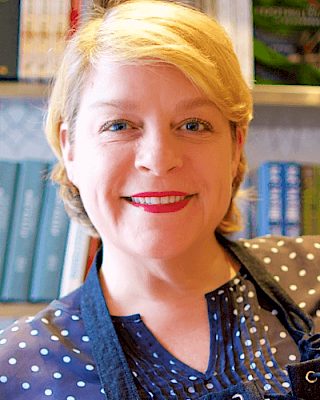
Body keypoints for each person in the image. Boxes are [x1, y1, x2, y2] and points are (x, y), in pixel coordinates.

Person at [1, 1, 320, 399]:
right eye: (119, 125)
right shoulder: (17, 371)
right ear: (70, 149)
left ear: (236, 146)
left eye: (193, 124)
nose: (159, 160)